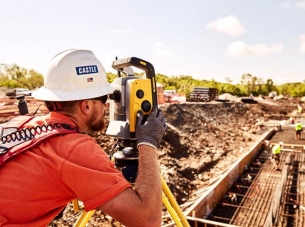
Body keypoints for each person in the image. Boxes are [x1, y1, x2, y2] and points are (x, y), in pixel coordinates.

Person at [0, 49, 167, 227]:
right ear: (86, 106)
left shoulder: (19, 124)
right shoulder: (74, 149)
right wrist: (148, 142)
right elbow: (148, 220)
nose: (107, 106)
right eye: (104, 99)